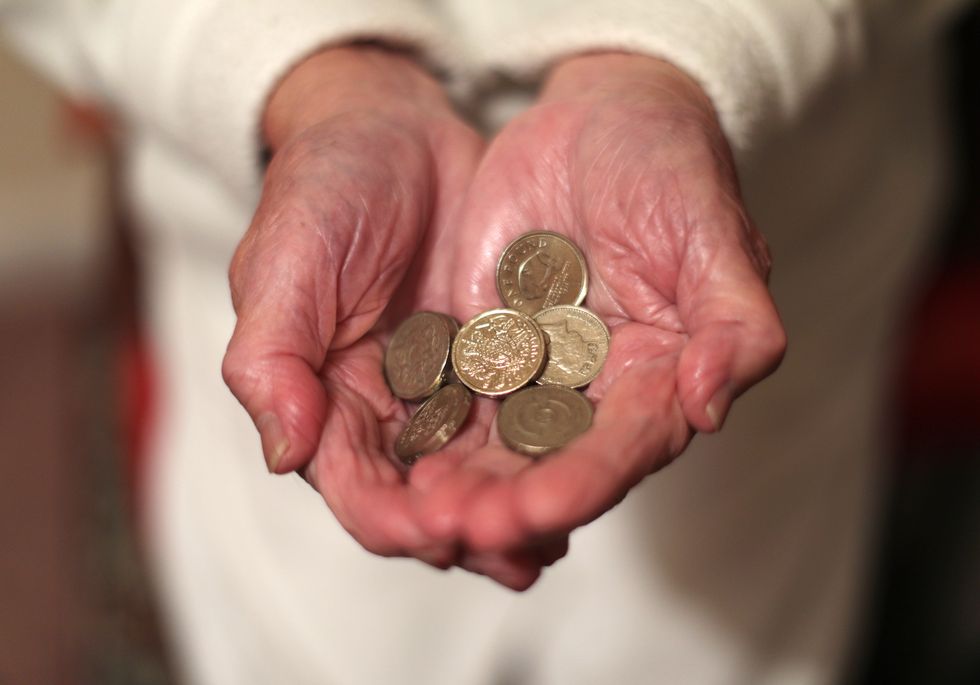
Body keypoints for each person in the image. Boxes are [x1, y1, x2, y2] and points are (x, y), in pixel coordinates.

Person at [1, 0, 970, 682]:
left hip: (769, 209)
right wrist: (303, 70)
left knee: (723, 641)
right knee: (315, 640)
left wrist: (699, 41)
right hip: (299, 262)